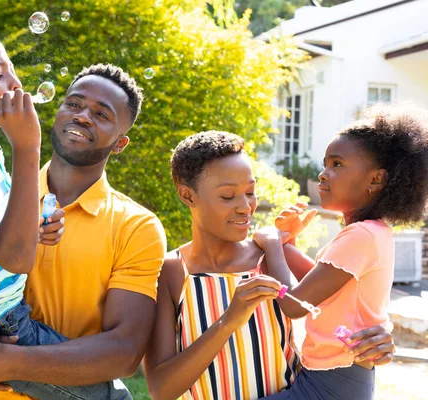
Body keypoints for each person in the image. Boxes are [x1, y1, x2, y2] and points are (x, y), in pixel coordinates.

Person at [0, 63, 167, 399]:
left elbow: (125, 351)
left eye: (102, 115)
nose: (83, 115)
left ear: (120, 143)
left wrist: (5, 361)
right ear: (55, 112)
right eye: (73, 103)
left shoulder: (136, 227)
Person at [143, 130, 397, 400]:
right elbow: (161, 389)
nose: (245, 207)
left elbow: (342, 306)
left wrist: (380, 340)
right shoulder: (170, 272)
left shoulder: (271, 261)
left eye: (250, 192)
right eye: (228, 196)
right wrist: (228, 322)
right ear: (187, 196)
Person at [253, 104, 428, 399]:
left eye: (337, 165)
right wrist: (286, 241)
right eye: (325, 164)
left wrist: (271, 243)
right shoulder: (372, 232)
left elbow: (296, 304)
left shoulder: (361, 235)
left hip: (334, 383)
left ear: (376, 179)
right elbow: (319, 287)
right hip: (334, 376)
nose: (323, 174)